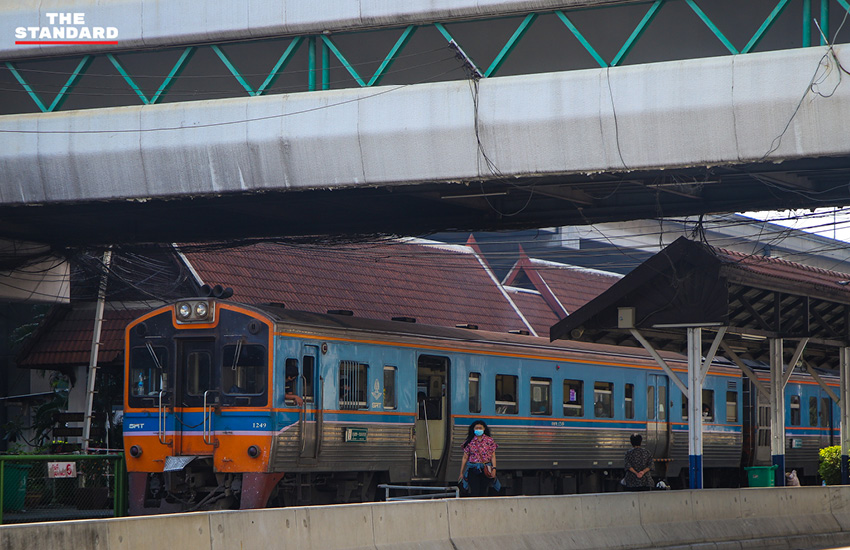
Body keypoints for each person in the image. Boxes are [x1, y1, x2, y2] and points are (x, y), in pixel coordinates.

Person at [458, 420, 501, 496]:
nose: (478, 429)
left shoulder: (489, 441)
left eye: (480, 428)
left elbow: (493, 456)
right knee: (474, 490)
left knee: (483, 490)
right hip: (473, 468)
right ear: (473, 429)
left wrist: (494, 469)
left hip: (485, 469)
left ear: (484, 429)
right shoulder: (469, 441)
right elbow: (465, 457)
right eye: (476, 428)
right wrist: (461, 472)